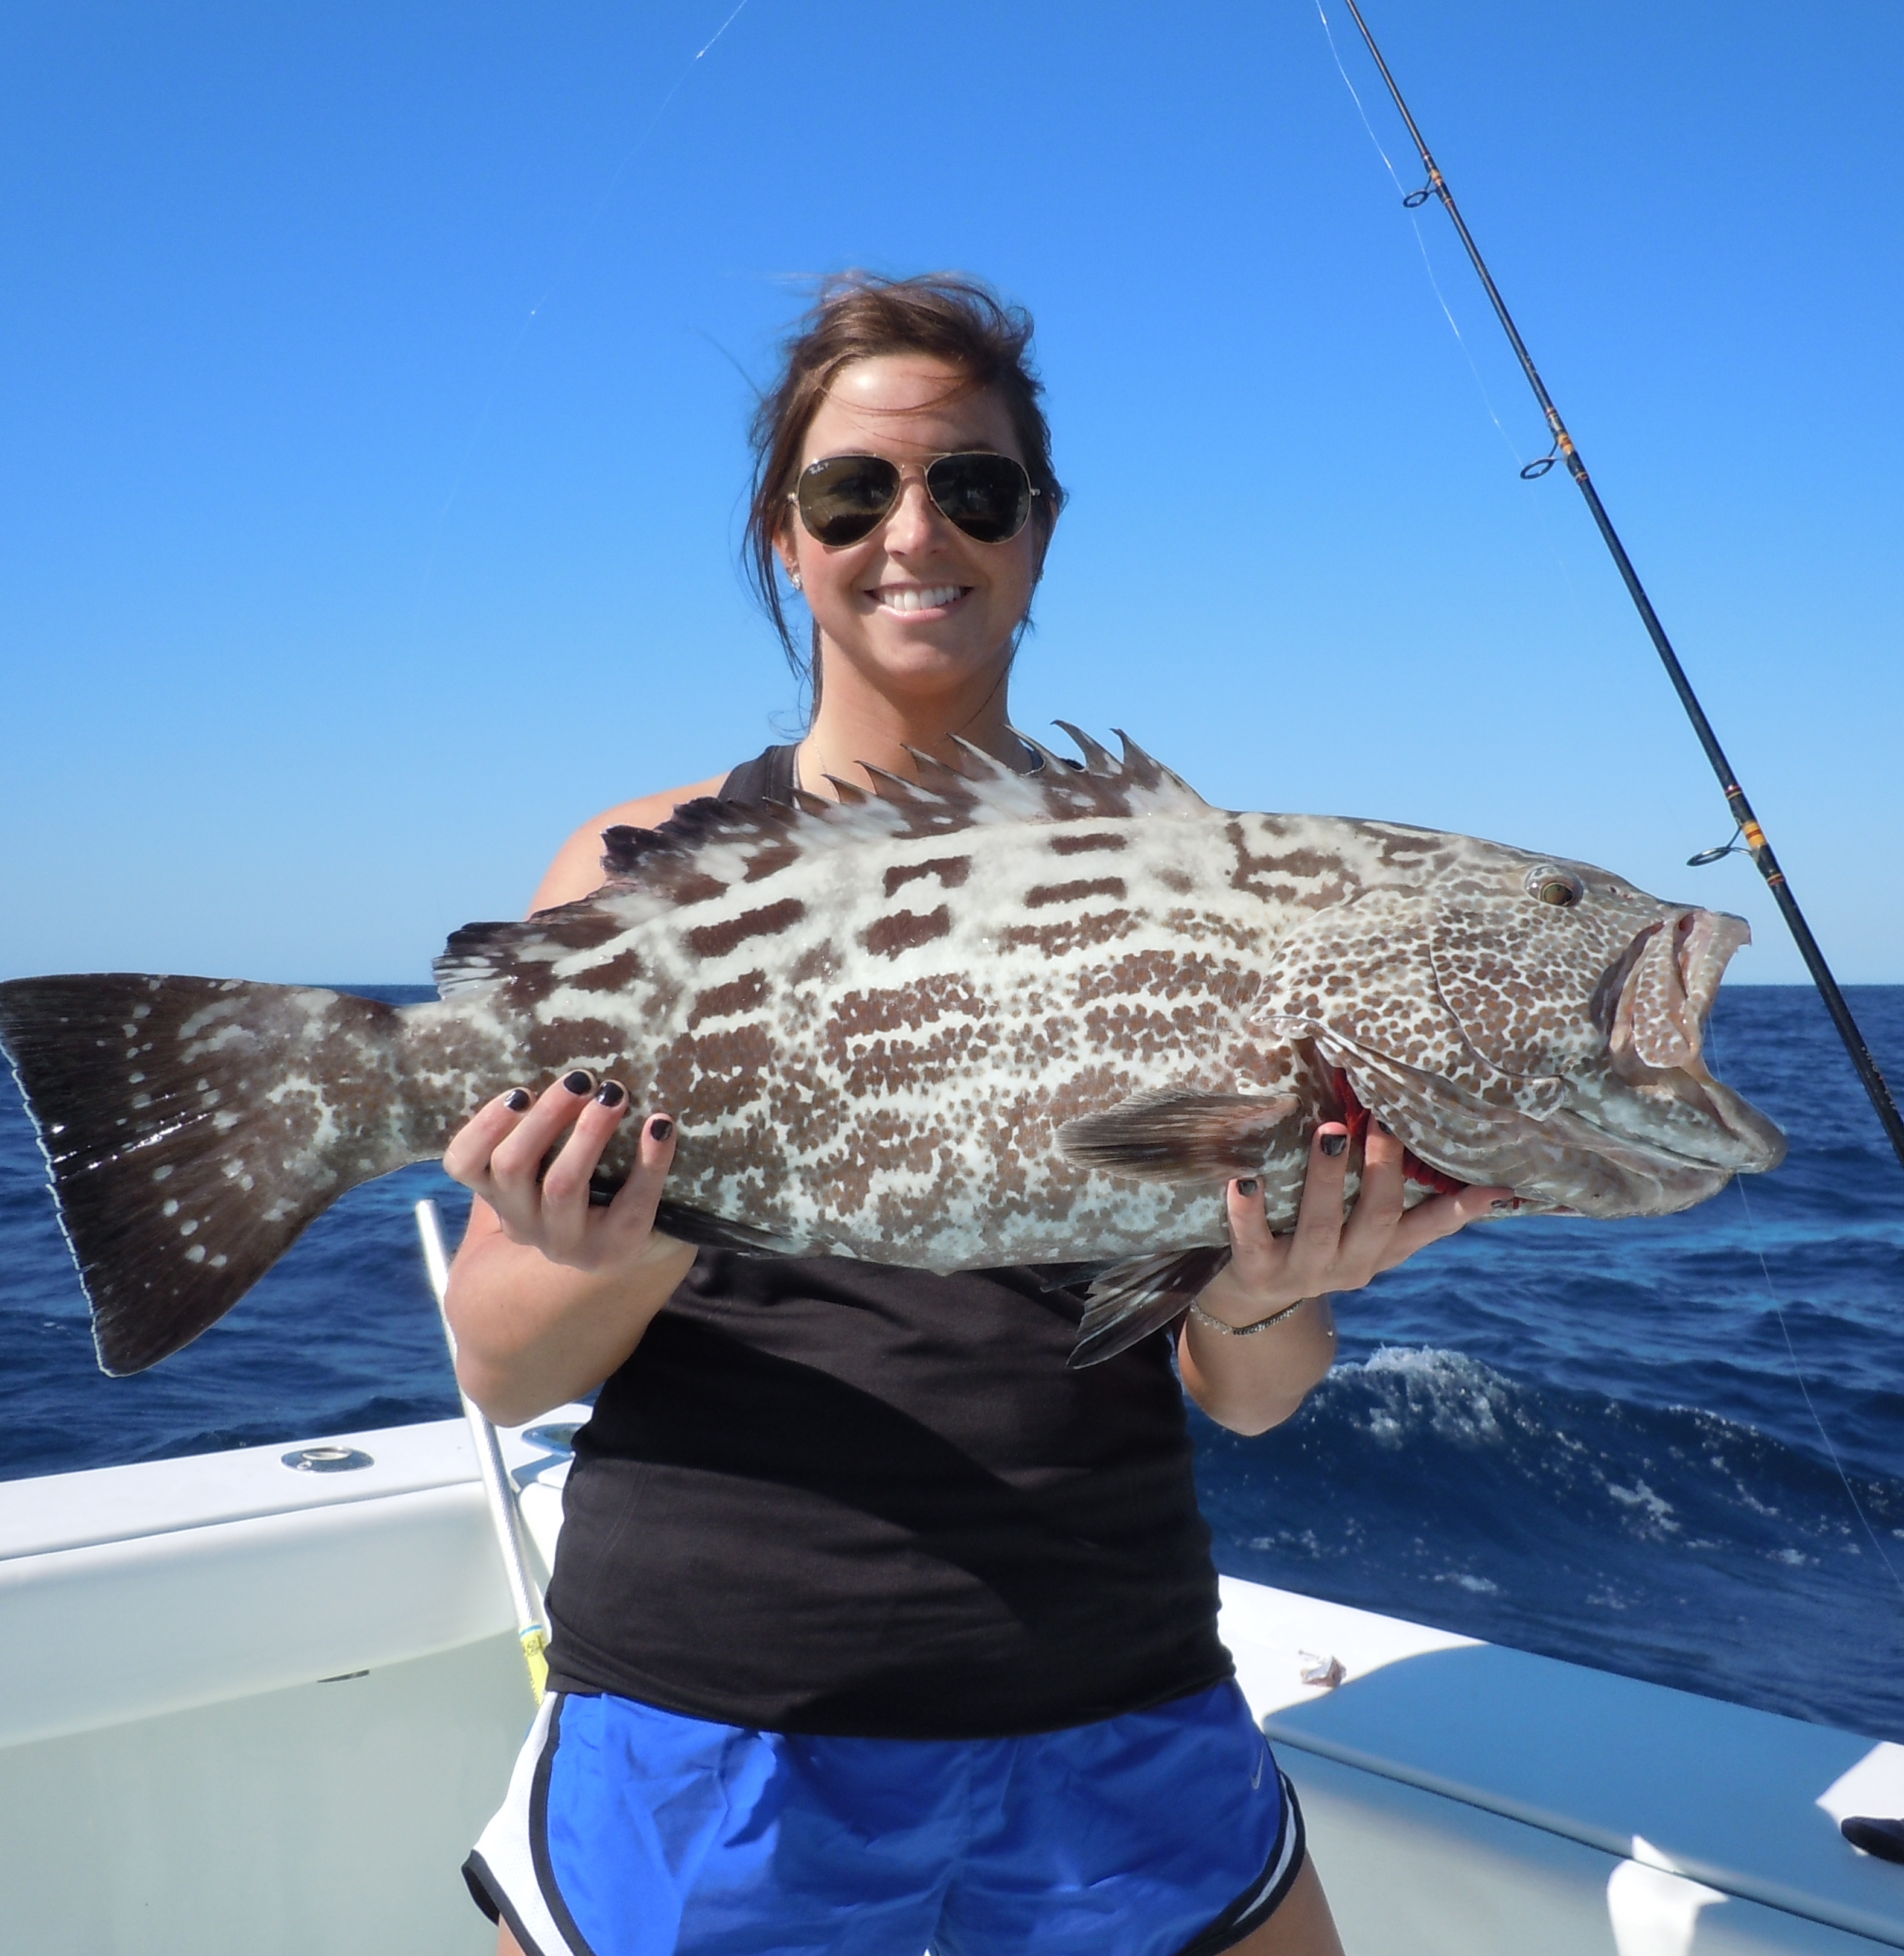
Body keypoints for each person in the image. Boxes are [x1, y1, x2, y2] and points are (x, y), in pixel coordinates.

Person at [441, 272, 1515, 1956]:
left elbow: (1248, 1398)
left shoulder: (1193, 883)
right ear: (785, 536)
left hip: (1119, 1687)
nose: (913, 531)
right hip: (726, 1716)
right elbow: (504, 1366)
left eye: (975, 487)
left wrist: (1270, 1284)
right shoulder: (641, 871)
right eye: (853, 492)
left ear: (1038, 531)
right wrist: (664, 1208)